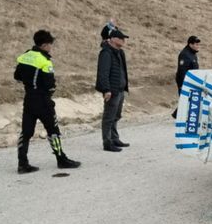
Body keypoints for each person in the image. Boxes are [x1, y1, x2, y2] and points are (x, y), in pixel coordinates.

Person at [14, 30, 81, 173]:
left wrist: (30, 84)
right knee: (53, 131)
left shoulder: (24, 56)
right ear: (44, 45)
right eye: (50, 45)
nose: (51, 47)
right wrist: (48, 93)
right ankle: (61, 159)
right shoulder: (45, 61)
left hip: (29, 99)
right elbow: (50, 85)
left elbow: (17, 76)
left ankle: (22, 163)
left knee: (26, 132)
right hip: (43, 100)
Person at [96, 28, 131, 152]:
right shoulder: (106, 53)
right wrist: (106, 89)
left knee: (116, 115)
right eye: (121, 38)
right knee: (109, 117)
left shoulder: (120, 52)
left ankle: (114, 138)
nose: (123, 41)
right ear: (114, 39)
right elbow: (103, 73)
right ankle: (107, 142)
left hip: (120, 89)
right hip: (112, 90)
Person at [172, 35, 200, 118]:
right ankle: (178, 115)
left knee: (188, 99)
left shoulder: (193, 54)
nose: (198, 46)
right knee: (186, 99)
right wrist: (183, 85)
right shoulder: (185, 54)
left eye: (198, 44)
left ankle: (178, 114)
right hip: (185, 82)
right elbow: (182, 71)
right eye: (196, 44)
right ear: (190, 44)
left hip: (191, 81)